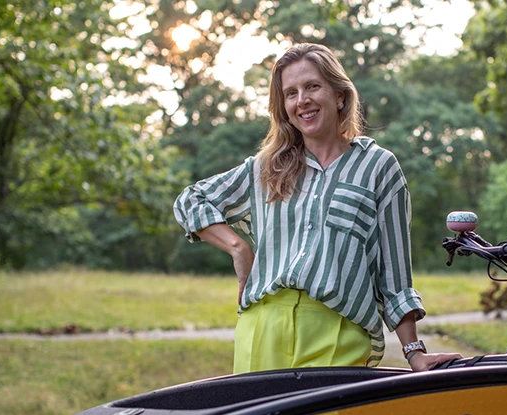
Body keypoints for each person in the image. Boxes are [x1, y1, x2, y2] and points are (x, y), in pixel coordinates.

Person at [174, 43, 462, 373]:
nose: (302, 100)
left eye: (312, 86)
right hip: (262, 328)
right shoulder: (265, 168)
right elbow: (190, 201)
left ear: (339, 95)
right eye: (291, 93)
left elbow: (394, 277)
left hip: (338, 331)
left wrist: (414, 352)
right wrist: (238, 247)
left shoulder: (378, 167)